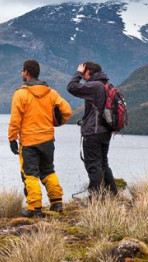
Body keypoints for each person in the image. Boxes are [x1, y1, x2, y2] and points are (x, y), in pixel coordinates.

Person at [8, 59, 73, 217]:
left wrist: (12, 139)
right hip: (47, 140)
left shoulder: (21, 94)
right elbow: (67, 111)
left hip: (29, 142)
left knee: (30, 175)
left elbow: (15, 119)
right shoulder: (51, 93)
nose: (21, 73)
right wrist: (57, 123)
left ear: (26, 72)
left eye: (22, 71)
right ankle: (57, 202)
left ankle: (34, 208)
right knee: (48, 171)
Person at [67, 61, 119, 196]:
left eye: (84, 72)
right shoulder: (105, 85)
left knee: (93, 166)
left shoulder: (95, 85)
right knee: (103, 164)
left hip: (93, 132)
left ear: (88, 72)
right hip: (105, 131)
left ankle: (95, 199)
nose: (83, 76)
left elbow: (71, 87)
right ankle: (113, 194)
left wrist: (78, 73)